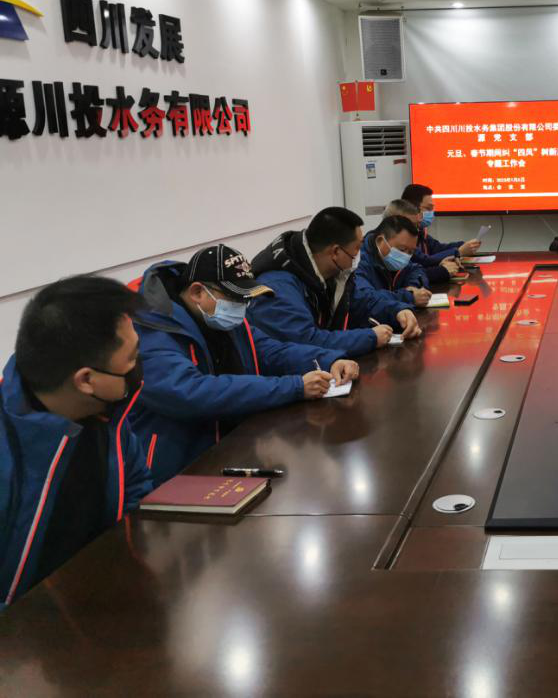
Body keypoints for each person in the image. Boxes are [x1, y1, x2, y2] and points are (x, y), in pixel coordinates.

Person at [129, 245, 360, 486]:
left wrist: (330, 360)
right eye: (235, 299)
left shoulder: (221, 319)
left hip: (230, 451)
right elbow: (191, 391)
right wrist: (294, 387)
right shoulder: (151, 331)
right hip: (176, 472)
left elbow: (270, 351)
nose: (242, 307)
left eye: (245, 299)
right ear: (198, 292)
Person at [1, 276, 151, 606]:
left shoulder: (105, 415)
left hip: (96, 604)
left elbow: (136, 487)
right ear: (86, 380)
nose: (139, 367)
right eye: (132, 358)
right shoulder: (7, 452)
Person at [248, 207, 421, 356]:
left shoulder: (330, 272)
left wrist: (397, 311)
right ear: (336, 252)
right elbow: (306, 341)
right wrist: (370, 337)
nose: (359, 255)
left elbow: (360, 301)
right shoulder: (277, 287)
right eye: (357, 248)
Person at [355, 215, 433, 309]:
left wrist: (413, 288)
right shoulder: (358, 263)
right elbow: (366, 298)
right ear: (380, 241)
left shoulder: (393, 259)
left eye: (411, 252)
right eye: (402, 249)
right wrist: (408, 297)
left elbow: (417, 270)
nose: (405, 256)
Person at [385, 198, 462, 286]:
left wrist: (440, 265)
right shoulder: (373, 255)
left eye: (416, 225)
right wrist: (441, 270)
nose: (416, 230)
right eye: (410, 225)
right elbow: (423, 262)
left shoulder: (410, 241)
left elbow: (413, 272)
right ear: (393, 223)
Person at [401, 182, 482, 264]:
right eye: (428, 208)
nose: (432, 213)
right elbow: (424, 261)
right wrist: (458, 252)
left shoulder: (420, 230)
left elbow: (437, 248)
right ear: (412, 208)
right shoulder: (402, 234)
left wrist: (464, 245)